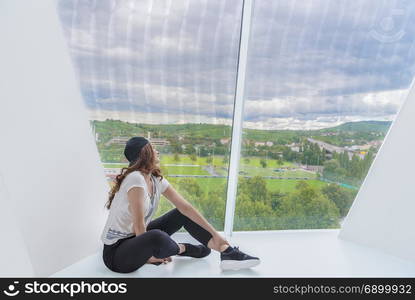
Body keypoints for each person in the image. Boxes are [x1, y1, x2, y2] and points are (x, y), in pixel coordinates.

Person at [101, 136, 260, 273]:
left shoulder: (156, 180)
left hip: (137, 238)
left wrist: (216, 234)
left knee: (180, 214)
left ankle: (227, 252)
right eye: (153, 148)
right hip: (116, 255)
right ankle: (184, 248)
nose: (157, 151)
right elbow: (138, 224)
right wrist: (147, 255)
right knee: (157, 237)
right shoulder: (135, 179)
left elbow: (186, 208)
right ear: (144, 153)